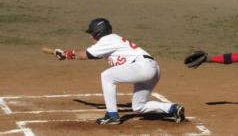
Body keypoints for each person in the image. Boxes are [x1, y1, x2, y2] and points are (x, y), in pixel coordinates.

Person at [54, 18, 185, 125]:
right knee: (138, 106)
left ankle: (112, 115)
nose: (91, 37)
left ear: (99, 33)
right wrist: (67, 55)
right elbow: (93, 56)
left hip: (142, 67)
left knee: (107, 76)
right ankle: (173, 108)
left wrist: (66, 54)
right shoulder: (111, 41)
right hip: (152, 69)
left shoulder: (108, 40)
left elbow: (87, 54)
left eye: (92, 33)